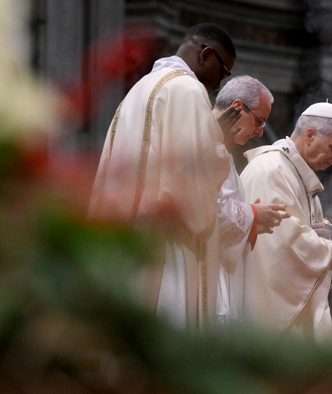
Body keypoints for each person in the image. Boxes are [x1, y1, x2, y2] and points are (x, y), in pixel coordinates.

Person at [88, 23, 235, 331]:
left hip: (128, 239)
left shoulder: (140, 88)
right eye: (223, 73)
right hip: (166, 246)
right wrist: (219, 146)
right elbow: (191, 179)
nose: (219, 85)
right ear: (206, 55)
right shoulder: (188, 90)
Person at [240, 102, 332, 347]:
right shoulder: (271, 169)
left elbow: (296, 232)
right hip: (268, 312)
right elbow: (280, 240)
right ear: (309, 135)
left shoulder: (300, 178)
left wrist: (317, 237)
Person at [211, 75, 290, 326]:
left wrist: (253, 222)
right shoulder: (203, 145)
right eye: (259, 121)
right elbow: (205, 212)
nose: (260, 131)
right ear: (237, 107)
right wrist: (253, 215)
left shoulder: (219, 147)